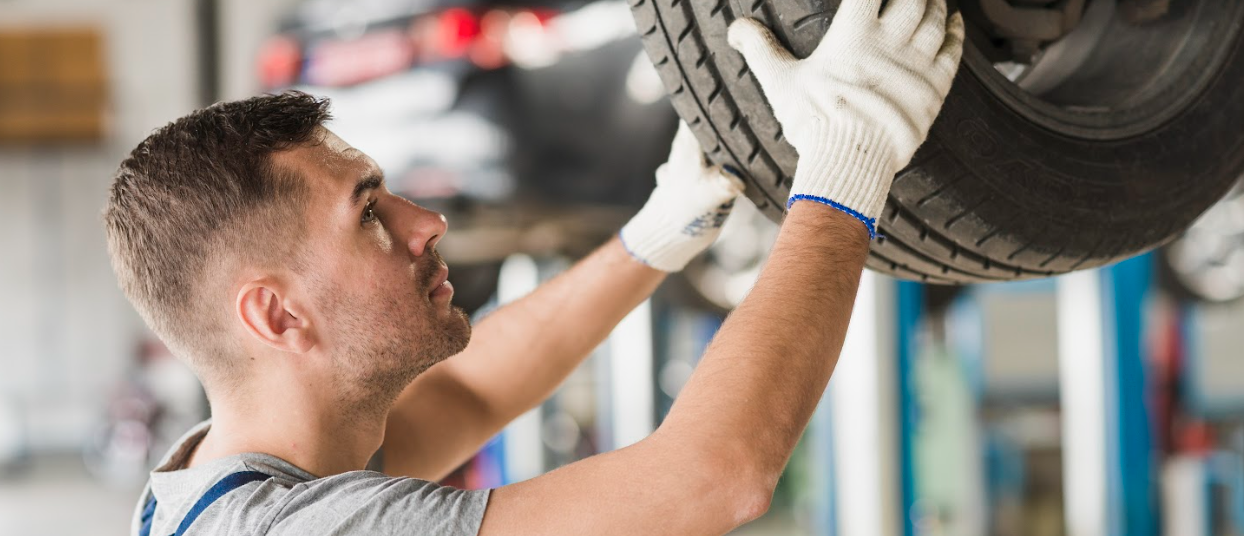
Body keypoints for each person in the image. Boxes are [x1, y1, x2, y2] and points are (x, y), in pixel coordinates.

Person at [104, 0, 962, 533]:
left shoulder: (227, 483)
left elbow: (467, 394)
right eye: (368, 215)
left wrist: (654, 238)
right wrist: (848, 162)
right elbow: (714, 479)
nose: (427, 222)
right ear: (277, 315)